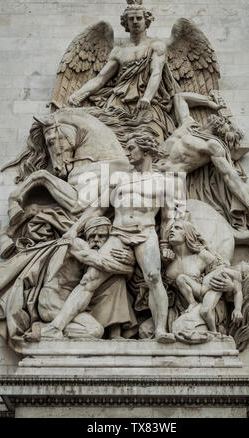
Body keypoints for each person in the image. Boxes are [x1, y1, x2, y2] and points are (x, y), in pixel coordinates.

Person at [41, 130, 178, 343]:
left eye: (132, 147)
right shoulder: (120, 179)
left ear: (146, 150)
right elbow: (97, 209)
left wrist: (165, 243)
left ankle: (160, 330)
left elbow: (168, 217)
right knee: (89, 279)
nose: (128, 152)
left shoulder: (164, 182)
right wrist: (74, 229)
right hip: (119, 233)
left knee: (153, 277)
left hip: (146, 233)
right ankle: (56, 326)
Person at [68, 0, 177, 143]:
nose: (135, 21)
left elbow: (156, 73)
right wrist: (78, 94)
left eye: (139, 18)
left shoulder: (156, 45)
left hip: (145, 104)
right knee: (108, 142)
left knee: (150, 141)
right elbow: (100, 79)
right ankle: (106, 168)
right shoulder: (118, 51)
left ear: (147, 21)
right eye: (131, 19)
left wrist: (147, 97)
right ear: (125, 23)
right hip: (118, 104)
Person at [36, 216, 137, 340]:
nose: (96, 240)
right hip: (52, 303)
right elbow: (102, 263)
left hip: (72, 303)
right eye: (92, 236)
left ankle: (114, 333)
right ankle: (43, 329)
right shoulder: (76, 243)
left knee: (117, 280)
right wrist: (131, 266)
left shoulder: (99, 253)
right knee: (95, 331)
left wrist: (129, 262)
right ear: (86, 237)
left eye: (101, 236)